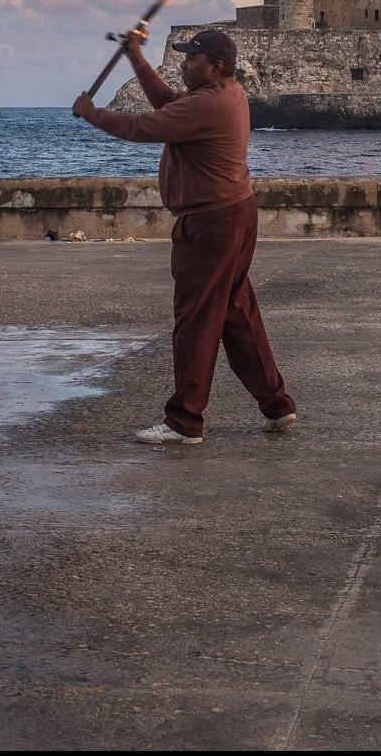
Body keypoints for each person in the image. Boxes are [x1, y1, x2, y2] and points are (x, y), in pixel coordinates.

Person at [72, 26, 297, 446]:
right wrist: (137, 56)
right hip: (234, 214)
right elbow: (166, 102)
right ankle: (276, 405)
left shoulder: (208, 105)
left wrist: (91, 113)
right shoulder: (220, 96)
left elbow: (142, 126)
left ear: (217, 66)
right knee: (236, 313)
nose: (183, 63)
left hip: (212, 222)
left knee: (196, 319)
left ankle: (185, 422)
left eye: (192, 58)